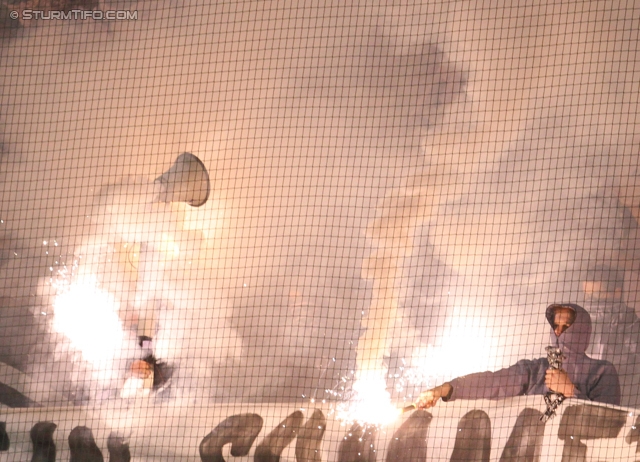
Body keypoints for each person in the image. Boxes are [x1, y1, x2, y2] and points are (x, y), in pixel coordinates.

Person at [416, 303, 621, 409]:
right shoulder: (536, 370)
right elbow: (492, 382)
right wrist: (444, 389)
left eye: (566, 326)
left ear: (582, 330)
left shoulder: (602, 372)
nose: (559, 332)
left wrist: (570, 391)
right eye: (556, 325)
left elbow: (611, 424)